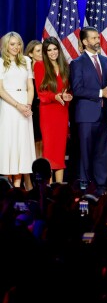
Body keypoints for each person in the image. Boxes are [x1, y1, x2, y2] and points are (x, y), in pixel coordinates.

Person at [70, 26, 107, 194]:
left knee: (102, 152)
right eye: (93, 38)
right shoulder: (77, 63)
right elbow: (77, 89)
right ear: (84, 42)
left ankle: (101, 186)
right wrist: (101, 93)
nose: (97, 41)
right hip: (86, 115)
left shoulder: (106, 61)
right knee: (85, 152)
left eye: (97, 37)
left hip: (103, 115)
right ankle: (85, 186)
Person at [34, 37, 73, 184]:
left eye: (55, 49)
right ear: (45, 52)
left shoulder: (65, 66)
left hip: (62, 111)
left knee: (60, 150)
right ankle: (48, 187)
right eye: (49, 50)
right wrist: (54, 96)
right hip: (48, 112)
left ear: (59, 50)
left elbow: (68, 89)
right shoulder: (39, 65)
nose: (52, 52)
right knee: (49, 150)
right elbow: (40, 92)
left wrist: (67, 96)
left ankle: (59, 187)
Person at [0, 32, 35, 188]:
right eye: (12, 44)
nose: (16, 47)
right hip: (9, 107)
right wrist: (17, 105)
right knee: (10, 143)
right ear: (5, 45)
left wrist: (27, 105)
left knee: (23, 144)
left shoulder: (26, 61)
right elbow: (0, 90)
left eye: (18, 44)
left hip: (25, 108)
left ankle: (19, 186)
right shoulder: (1, 63)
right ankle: (8, 188)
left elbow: (30, 87)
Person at [24, 39, 43, 161]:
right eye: (38, 51)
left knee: (41, 141)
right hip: (30, 109)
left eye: (43, 50)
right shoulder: (25, 70)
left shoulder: (47, 69)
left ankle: (40, 170)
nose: (42, 53)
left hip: (44, 108)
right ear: (30, 54)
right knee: (31, 140)